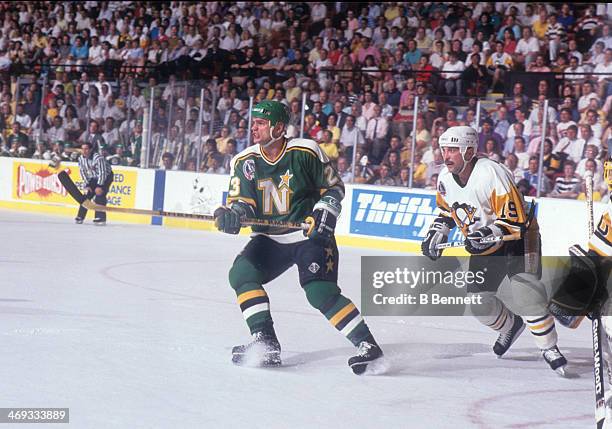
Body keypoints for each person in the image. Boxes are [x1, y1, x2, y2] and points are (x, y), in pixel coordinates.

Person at [214, 100, 383, 374]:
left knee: (319, 292)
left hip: (309, 235)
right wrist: (233, 215)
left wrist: (325, 212)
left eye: (260, 123)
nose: (253, 127)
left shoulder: (305, 151)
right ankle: (265, 340)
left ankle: (368, 346)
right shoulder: (244, 161)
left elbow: (333, 187)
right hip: (270, 239)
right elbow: (243, 204)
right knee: (240, 274)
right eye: (253, 122)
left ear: (278, 127)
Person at [421, 126, 567, 374]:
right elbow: (448, 211)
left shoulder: (491, 173)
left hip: (518, 239)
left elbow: (515, 221)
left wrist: (485, 234)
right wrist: (438, 232)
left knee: (526, 295)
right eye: (444, 149)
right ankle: (510, 326)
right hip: (485, 243)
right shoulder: (445, 178)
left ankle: (548, 346)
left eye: (453, 150)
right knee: (479, 303)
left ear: (469, 151)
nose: (446, 155)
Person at [75, 141, 113, 226]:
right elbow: (82, 172)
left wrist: (100, 186)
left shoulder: (98, 158)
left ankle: (100, 217)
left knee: (99, 193)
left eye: (86, 149)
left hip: (106, 177)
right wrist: (87, 185)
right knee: (87, 194)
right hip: (94, 177)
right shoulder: (81, 158)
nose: (84, 151)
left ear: (91, 150)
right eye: (82, 149)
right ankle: (80, 216)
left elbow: (103, 172)